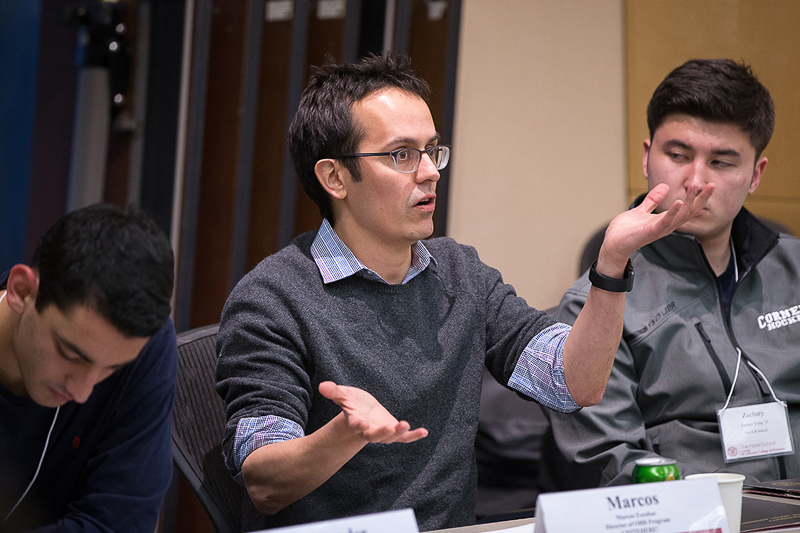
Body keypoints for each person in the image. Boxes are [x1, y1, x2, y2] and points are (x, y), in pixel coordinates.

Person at [215, 54, 712, 532]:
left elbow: (575, 384)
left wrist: (611, 265)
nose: (430, 171)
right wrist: (344, 435)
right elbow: (264, 481)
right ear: (335, 177)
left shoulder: (460, 274)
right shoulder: (272, 298)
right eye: (401, 154)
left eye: (432, 151)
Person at [545, 58, 800, 489]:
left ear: (756, 174)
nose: (696, 181)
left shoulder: (794, 271)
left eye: (722, 163)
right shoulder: (595, 307)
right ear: (647, 157)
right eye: (678, 155)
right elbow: (609, 460)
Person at [0, 203, 177, 532]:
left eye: (112, 368)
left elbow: (120, 524)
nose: (82, 392)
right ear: (22, 291)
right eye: (70, 353)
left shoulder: (145, 346)